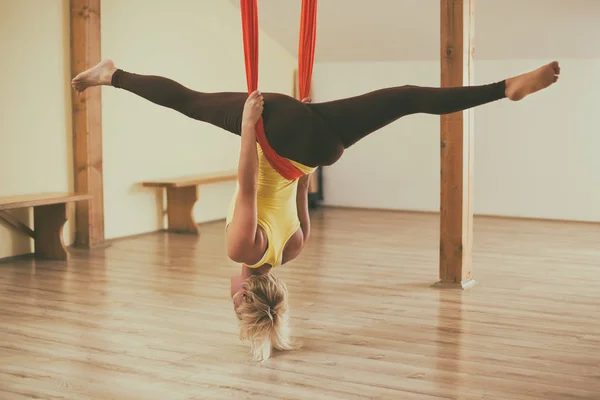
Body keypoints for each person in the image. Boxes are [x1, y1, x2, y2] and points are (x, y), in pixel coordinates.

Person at [72, 59, 561, 361]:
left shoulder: (292, 250)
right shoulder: (243, 247)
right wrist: (250, 126)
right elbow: (246, 186)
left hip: (320, 147)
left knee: (404, 98)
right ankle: (112, 75)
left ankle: (504, 88)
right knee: (189, 101)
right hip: (277, 132)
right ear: (242, 292)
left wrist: (309, 125)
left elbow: (301, 187)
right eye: (233, 298)